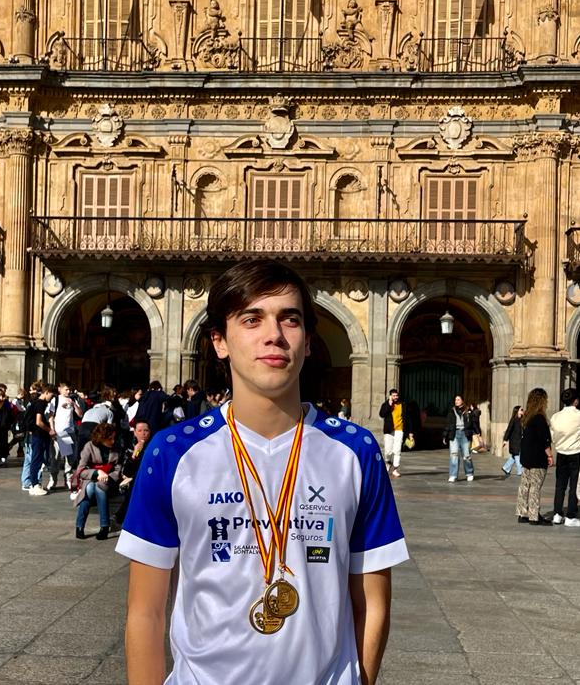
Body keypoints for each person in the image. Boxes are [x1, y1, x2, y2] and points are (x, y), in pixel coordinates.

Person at [117, 258, 408, 685]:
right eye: (251, 319)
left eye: (289, 320)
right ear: (219, 340)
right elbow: (145, 611)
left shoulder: (355, 452)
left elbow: (372, 603)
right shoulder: (173, 452)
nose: (273, 335)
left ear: (308, 341)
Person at [74, 422, 122, 540]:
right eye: (110, 438)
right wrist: (96, 473)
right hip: (90, 480)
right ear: (101, 438)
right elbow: (80, 471)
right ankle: (104, 526)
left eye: (114, 438)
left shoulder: (117, 448)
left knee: (98, 488)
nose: (113, 441)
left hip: (109, 481)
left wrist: (106, 476)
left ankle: (80, 526)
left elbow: (118, 470)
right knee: (90, 488)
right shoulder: (89, 446)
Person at [516, 387, 553, 526]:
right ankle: (534, 515)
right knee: (535, 486)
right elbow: (545, 440)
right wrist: (550, 455)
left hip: (526, 456)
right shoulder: (539, 418)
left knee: (525, 485)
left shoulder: (527, 417)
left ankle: (522, 513)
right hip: (537, 457)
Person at [549, 388, 580, 528]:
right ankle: (571, 516)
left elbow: (553, 437)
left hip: (561, 453)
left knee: (560, 485)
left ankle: (557, 514)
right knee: (574, 485)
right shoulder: (579, 415)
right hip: (576, 453)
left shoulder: (555, 417)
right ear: (576, 401)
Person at [113, 420, 151, 528]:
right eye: (140, 430)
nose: (143, 433)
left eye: (146, 430)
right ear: (134, 432)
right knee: (135, 484)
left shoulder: (154, 447)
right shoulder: (130, 447)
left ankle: (120, 516)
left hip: (150, 478)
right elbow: (126, 471)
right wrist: (134, 454)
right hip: (134, 480)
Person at [46, 383, 84, 490]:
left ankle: (68, 478)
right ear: (60, 389)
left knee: (69, 458)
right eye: (66, 389)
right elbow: (51, 416)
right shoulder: (55, 400)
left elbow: (80, 414)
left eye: (70, 390)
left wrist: (74, 404)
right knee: (56, 457)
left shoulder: (72, 400)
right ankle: (53, 479)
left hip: (70, 432)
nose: (68, 392)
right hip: (58, 432)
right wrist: (52, 429)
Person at [28, 384, 56, 497]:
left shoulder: (39, 403)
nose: (52, 398)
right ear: (47, 392)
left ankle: (35, 483)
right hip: (39, 435)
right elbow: (38, 422)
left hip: (39, 435)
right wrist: (50, 430)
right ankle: (34, 484)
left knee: (38, 459)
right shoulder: (40, 404)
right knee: (36, 459)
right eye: (51, 395)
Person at [379, 388, 413, 478]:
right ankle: (388, 462)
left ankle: (395, 469)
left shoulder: (403, 404)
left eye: (396, 395)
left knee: (397, 450)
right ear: (390, 396)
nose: (395, 397)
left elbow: (408, 418)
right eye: (393, 396)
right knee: (388, 451)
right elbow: (382, 414)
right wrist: (389, 404)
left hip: (399, 430)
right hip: (389, 430)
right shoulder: (386, 404)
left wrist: (410, 432)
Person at [444, 395, 474, 483]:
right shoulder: (451, 411)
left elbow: (473, 422)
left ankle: (469, 473)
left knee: (466, 455)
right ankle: (453, 475)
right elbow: (448, 424)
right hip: (455, 433)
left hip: (465, 433)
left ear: (462, 401)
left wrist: (476, 433)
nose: (456, 401)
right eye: (455, 400)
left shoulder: (468, 411)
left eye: (458, 399)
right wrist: (445, 434)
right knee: (453, 454)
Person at [502, 405, 524, 476]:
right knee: (517, 455)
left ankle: (506, 468)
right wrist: (505, 440)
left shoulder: (521, 419)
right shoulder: (513, 419)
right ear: (517, 411)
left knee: (514, 456)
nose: (522, 411)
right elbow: (509, 430)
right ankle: (520, 471)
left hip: (519, 441)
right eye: (521, 410)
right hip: (514, 441)